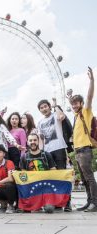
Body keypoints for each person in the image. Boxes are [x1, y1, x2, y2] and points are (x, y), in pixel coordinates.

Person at [67, 67, 97, 212]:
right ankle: (89, 201)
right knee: (84, 179)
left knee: (89, 177)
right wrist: (69, 97)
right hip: (78, 151)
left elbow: (90, 96)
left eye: (76, 103)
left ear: (81, 103)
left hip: (85, 149)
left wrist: (92, 81)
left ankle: (95, 203)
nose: (74, 105)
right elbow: (71, 104)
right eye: (72, 104)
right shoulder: (76, 116)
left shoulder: (86, 111)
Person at [20, 133, 57, 213]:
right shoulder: (24, 157)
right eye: (30, 140)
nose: (33, 142)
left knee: (49, 209)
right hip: (32, 188)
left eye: (35, 140)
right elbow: (23, 176)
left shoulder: (47, 155)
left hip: (46, 187)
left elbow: (54, 171)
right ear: (27, 142)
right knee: (26, 210)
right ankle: (36, 203)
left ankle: (44, 202)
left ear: (38, 141)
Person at [37, 99, 67, 169]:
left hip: (59, 148)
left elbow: (62, 117)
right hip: (47, 151)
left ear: (49, 107)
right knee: (51, 173)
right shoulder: (40, 123)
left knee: (61, 170)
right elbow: (41, 138)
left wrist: (55, 106)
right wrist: (41, 151)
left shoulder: (56, 115)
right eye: (41, 108)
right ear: (40, 110)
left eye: (45, 106)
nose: (44, 109)